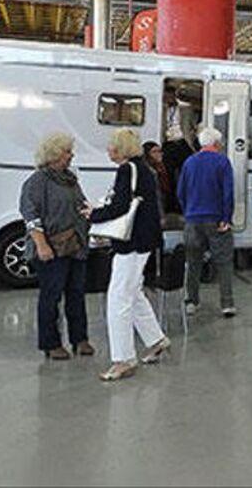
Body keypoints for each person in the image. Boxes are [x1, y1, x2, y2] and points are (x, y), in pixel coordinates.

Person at [87, 129, 170, 382]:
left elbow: (121, 205)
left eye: (112, 146)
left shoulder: (127, 170)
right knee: (133, 292)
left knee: (118, 298)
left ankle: (123, 359)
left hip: (131, 241)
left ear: (121, 148)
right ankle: (156, 339)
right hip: (145, 239)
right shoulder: (144, 169)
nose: (109, 150)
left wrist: (94, 214)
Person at [19, 132, 94, 360]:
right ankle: (50, 343)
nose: (71, 156)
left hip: (75, 246)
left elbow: (81, 206)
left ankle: (80, 339)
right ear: (53, 154)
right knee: (51, 296)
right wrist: (42, 245)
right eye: (67, 151)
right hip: (51, 248)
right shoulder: (37, 181)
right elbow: (30, 214)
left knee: (76, 294)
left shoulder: (70, 179)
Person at [176, 127, 237, 318]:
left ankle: (191, 301)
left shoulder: (189, 162)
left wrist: (188, 211)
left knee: (193, 262)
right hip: (215, 219)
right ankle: (226, 304)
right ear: (217, 144)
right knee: (224, 262)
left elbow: (181, 192)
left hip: (193, 219)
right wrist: (226, 218)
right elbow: (227, 193)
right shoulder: (222, 161)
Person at [143, 140, 180, 216]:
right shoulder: (146, 172)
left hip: (168, 205)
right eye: (154, 152)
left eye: (159, 151)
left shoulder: (166, 168)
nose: (158, 154)